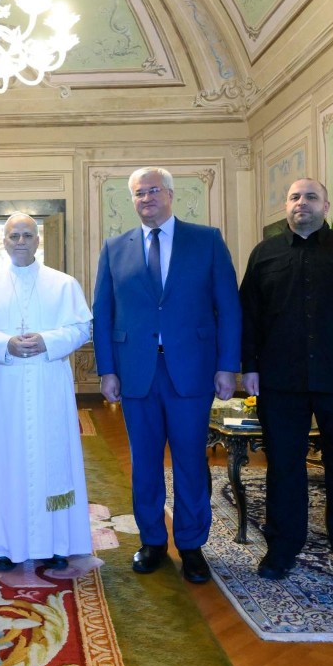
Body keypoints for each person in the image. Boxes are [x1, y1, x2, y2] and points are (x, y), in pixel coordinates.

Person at [92, 166, 241, 584]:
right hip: (136, 372)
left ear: (171, 194)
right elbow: (103, 312)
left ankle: (192, 545)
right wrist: (107, 370)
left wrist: (228, 366)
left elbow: (228, 307)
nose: (147, 198)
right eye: (139, 193)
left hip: (192, 371)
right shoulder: (115, 248)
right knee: (144, 462)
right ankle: (153, 541)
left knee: (191, 460)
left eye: (154, 190)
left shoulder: (206, 240)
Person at [239, 178, 333, 592]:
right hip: (280, 380)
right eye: (295, 197)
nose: (302, 202)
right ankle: (282, 549)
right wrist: (249, 367)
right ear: (286, 206)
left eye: (311, 197)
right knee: (284, 468)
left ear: (326, 206)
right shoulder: (264, 254)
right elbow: (249, 315)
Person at [0, 213, 93, 571]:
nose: (20, 241)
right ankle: (4, 544)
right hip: (6, 385)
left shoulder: (63, 284)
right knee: (6, 461)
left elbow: (82, 327)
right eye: (14, 235)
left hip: (50, 381)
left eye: (27, 235)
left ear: (38, 240)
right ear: (4, 241)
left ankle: (57, 543)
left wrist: (48, 340)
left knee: (53, 460)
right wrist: (5, 344)